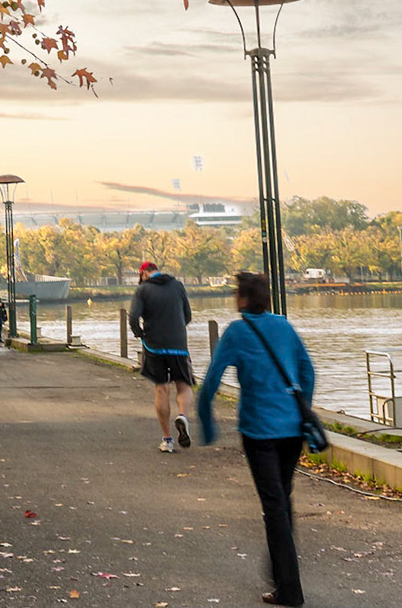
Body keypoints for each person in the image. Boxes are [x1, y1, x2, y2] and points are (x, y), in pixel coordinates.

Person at [197, 272, 314, 608]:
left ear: (244, 300)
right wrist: (301, 404)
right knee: (282, 498)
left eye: (237, 293)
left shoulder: (236, 332)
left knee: (274, 506)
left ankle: (289, 589)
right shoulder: (284, 326)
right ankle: (281, 574)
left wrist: (207, 424)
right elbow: (307, 370)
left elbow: (211, 381)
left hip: (259, 432)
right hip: (292, 431)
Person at [128, 259, 195, 452]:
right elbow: (187, 315)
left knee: (161, 388)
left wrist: (140, 334)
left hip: (154, 345)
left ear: (144, 274)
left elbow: (133, 318)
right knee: (183, 384)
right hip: (178, 345)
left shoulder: (142, 290)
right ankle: (182, 415)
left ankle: (167, 440)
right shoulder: (177, 285)